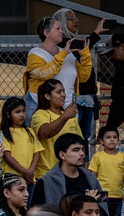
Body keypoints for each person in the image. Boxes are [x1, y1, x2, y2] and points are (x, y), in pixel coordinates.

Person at [33, 134, 112, 216]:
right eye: (76, 150)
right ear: (62, 155)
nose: (82, 154)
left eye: (83, 149)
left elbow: (102, 211)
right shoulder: (47, 182)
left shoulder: (90, 179)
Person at [53, 9, 110, 148]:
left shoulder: (74, 43)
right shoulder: (62, 44)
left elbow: (83, 45)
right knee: (75, 136)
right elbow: (81, 45)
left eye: (75, 17)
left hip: (88, 95)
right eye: (71, 19)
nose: (76, 21)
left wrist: (96, 33)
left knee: (84, 136)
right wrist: (96, 33)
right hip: (74, 96)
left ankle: (83, 167)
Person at [24, 17, 91, 124]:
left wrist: (85, 55)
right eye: (58, 28)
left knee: (69, 140)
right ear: (47, 33)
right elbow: (44, 74)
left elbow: (83, 77)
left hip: (68, 108)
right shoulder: (35, 53)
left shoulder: (67, 53)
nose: (62, 31)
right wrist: (63, 53)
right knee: (38, 139)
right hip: (40, 106)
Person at [30, 80, 83, 181]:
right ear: (47, 96)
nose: (63, 95)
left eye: (64, 91)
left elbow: (80, 144)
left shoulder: (71, 117)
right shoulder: (40, 114)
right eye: (59, 92)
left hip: (71, 174)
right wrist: (64, 117)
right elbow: (44, 132)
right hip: (48, 174)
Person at [0, 97, 42, 193]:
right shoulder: (5, 133)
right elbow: (7, 156)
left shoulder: (30, 131)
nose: (22, 115)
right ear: (8, 114)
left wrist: (30, 171)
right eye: (17, 112)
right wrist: (24, 171)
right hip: (12, 180)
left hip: (29, 179)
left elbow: (37, 153)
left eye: (23, 111)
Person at [89, 126, 123, 216]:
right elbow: (93, 175)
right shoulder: (98, 156)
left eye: (115, 137)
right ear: (101, 141)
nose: (112, 139)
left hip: (117, 195)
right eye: (108, 137)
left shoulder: (122, 156)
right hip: (102, 195)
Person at [106, 33, 124, 132]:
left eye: (112, 52)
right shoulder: (120, 68)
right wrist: (110, 127)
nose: (110, 57)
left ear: (122, 47)